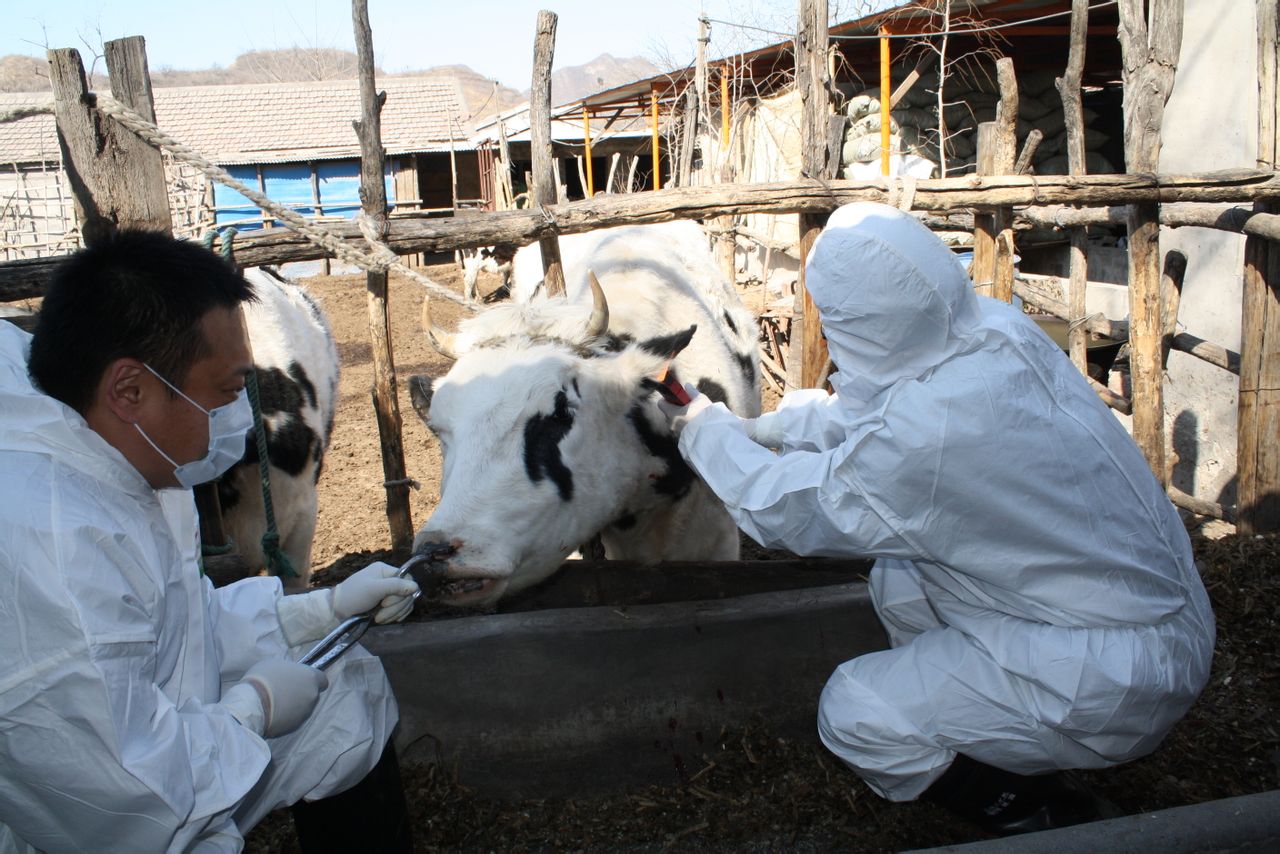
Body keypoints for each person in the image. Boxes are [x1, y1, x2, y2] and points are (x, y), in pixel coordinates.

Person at [662, 203, 1215, 836]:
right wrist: (761, 427)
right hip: (1129, 607)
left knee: (856, 712)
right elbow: (875, 413)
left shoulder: (928, 440)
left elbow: (783, 508)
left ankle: (1036, 812)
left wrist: (701, 428)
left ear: (855, 321)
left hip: (1109, 676)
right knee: (900, 578)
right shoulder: (993, 332)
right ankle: (981, 721)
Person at [0, 229, 422, 852]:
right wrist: (252, 709)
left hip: (153, 737)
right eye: (227, 392)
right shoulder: (58, 547)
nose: (237, 416)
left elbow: (178, 627)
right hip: (105, 821)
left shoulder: (128, 463)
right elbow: (128, 797)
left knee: (341, 688)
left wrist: (319, 612)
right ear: (129, 391)